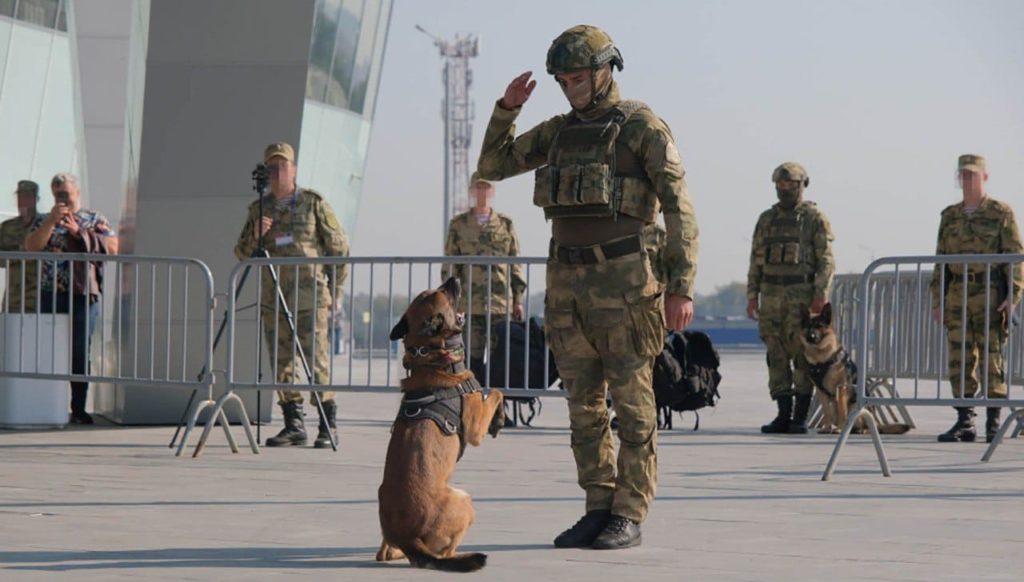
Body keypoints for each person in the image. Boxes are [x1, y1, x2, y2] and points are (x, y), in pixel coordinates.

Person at [477, 25, 699, 550]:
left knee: (633, 407)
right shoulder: (558, 133)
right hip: (567, 288)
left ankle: (629, 512)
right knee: (583, 407)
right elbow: (493, 166)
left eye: (576, 78)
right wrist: (507, 110)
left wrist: (681, 286)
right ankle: (598, 506)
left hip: (625, 287)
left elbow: (679, 209)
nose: (569, 88)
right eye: (562, 81)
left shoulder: (641, 127)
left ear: (605, 72)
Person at [234, 142, 350, 448]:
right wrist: (256, 234)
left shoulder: (313, 204)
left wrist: (336, 292)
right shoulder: (259, 209)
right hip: (275, 300)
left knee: (317, 362)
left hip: (311, 299)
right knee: (282, 363)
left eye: (283, 166)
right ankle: (293, 425)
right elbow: (241, 253)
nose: (277, 172)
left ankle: (327, 424)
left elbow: (339, 249)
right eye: (272, 167)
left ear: (294, 169)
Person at [930, 154, 1023, 443]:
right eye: (963, 175)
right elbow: (940, 260)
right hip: (958, 293)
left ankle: (994, 422)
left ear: (985, 177)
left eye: (972, 175)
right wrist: (939, 299)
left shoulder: (1000, 213)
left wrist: (1013, 296)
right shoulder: (950, 216)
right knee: (959, 358)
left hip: (989, 293)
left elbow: (1015, 257)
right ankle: (965, 420)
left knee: (991, 357)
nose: (967, 180)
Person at [746, 162, 835, 434]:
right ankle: (782, 414)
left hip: (801, 301)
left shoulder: (814, 218)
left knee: (802, 357)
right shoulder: (766, 220)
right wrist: (752, 296)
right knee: (776, 357)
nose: (785, 189)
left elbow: (826, 260)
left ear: (802, 185)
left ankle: (800, 417)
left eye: (791, 184)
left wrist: (820, 294)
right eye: (781, 184)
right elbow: (756, 260)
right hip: (771, 299)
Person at [24, 173, 118, 424]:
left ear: (77, 192)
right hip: (50, 293)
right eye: (57, 194)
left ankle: (78, 407)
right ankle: (47, 405)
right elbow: (31, 246)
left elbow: (113, 247)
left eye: (65, 193)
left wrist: (79, 232)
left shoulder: (94, 218)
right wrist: (50, 222)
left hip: (82, 295)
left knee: (79, 350)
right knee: (47, 349)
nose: (61, 198)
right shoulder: (44, 219)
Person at [444, 171, 527, 378]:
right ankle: (471, 396)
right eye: (478, 188)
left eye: (486, 188)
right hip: (469, 305)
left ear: (493, 191)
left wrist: (518, 299)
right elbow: (451, 267)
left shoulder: (505, 224)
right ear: (472, 191)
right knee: (468, 359)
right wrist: (450, 301)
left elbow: (515, 263)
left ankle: (498, 398)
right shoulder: (458, 225)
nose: (482, 193)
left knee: (501, 359)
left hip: (500, 303)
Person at [1, 180, 41, 312]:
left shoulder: (44, 225)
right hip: (14, 297)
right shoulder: (7, 227)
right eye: (20, 197)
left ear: (36, 199)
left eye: (27, 196)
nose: (23, 201)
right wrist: (16, 257)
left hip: (40, 297)